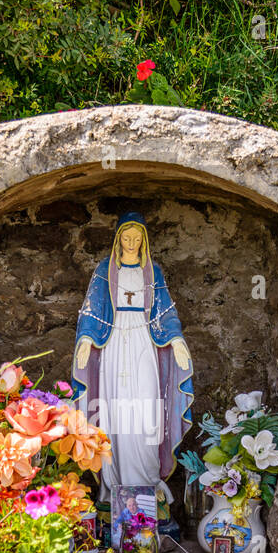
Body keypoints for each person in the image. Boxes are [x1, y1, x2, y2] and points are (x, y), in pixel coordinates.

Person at [70, 212, 193, 536]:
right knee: (113, 412)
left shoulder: (153, 272)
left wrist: (176, 340)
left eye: (137, 238)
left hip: (143, 343)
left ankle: (148, 484)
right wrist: (85, 339)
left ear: (144, 241)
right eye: (126, 237)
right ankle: (114, 489)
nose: (131, 243)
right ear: (118, 239)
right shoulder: (103, 272)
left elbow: (166, 313)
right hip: (112, 346)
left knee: (145, 410)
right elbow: (92, 312)